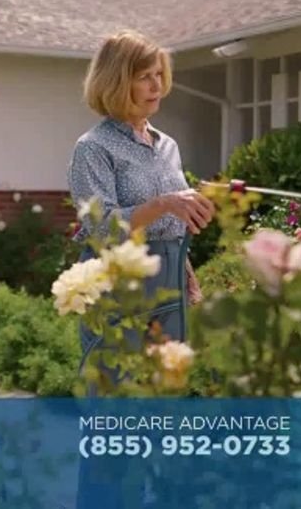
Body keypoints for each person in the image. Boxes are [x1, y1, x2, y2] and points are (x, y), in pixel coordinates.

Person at [68, 29, 216, 508]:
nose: (156, 86)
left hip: (169, 282)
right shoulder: (93, 148)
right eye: (143, 77)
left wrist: (187, 270)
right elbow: (98, 226)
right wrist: (164, 204)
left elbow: (173, 222)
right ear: (116, 81)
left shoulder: (167, 145)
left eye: (159, 75)